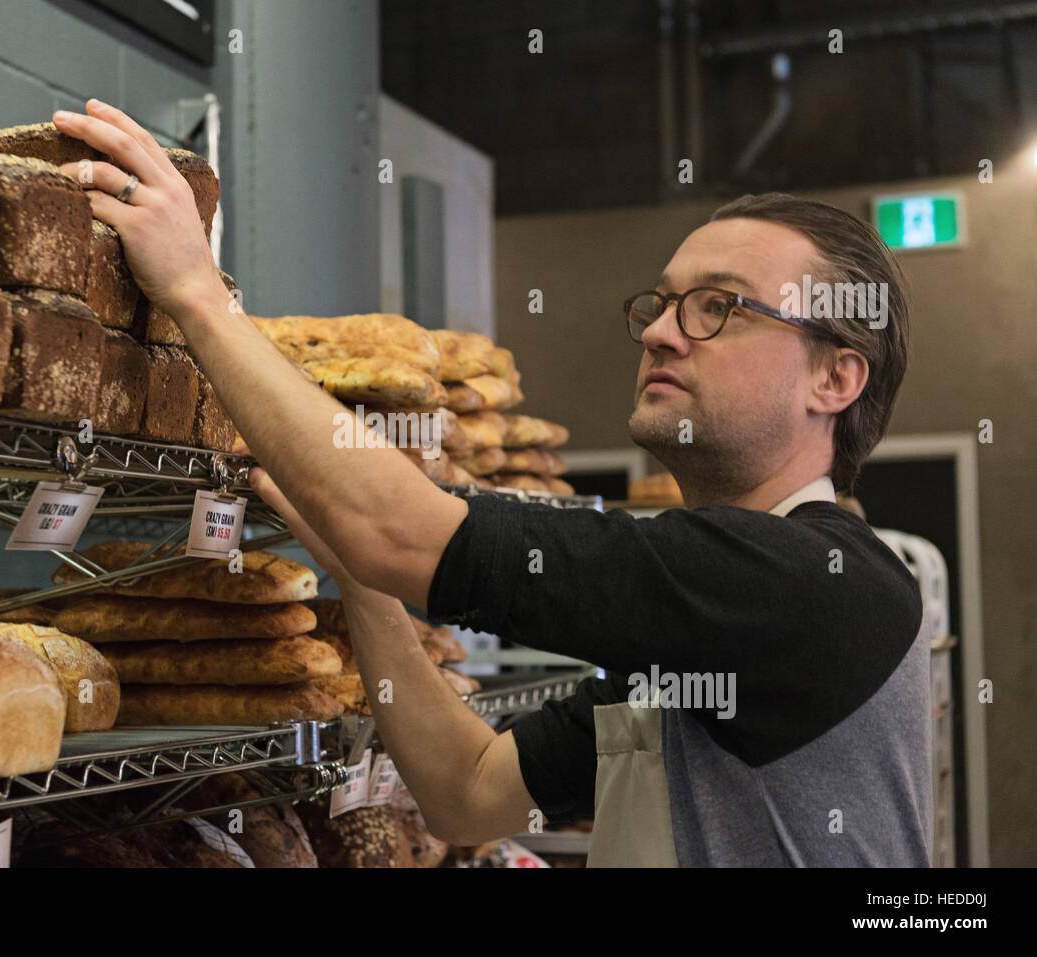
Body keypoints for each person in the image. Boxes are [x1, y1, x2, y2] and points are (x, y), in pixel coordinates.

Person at [52, 100, 931, 867]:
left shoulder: (806, 581)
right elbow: (469, 793)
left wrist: (199, 296)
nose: (661, 331)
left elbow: (403, 530)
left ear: (835, 380)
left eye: (718, 307)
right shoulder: (706, 631)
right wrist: (365, 583)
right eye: (660, 303)